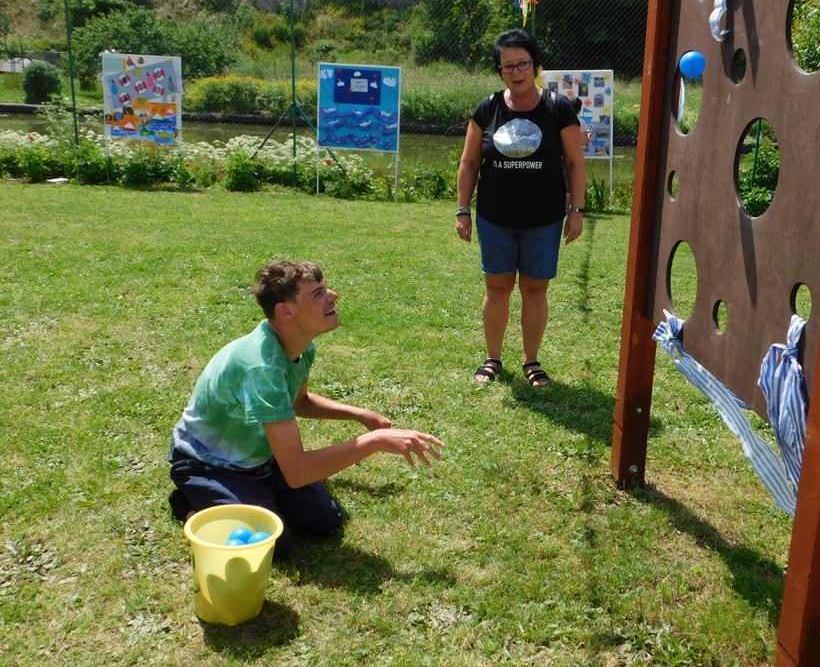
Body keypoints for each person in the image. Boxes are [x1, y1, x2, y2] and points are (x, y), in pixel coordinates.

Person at [168, 260, 444, 558]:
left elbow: (299, 401)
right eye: (318, 294)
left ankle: (254, 497)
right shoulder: (261, 367)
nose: (334, 296)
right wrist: (374, 441)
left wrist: (360, 415)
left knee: (325, 519)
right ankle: (188, 501)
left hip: (261, 461)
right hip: (208, 464)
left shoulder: (300, 345)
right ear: (286, 311)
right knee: (274, 545)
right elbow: (297, 472)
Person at [455, 29, 586, 387]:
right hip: (495, 216)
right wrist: (462, 209)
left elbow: (575, 162)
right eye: (508, 66)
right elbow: (469, 163)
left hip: (544, 219)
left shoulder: (558, 108)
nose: (516, 72)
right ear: (499, 70)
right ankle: (493, 358)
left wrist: (576, 211)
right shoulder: (487, 108)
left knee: (535, 291)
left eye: (523, 64)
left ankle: (532, 361)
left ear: (535, 66)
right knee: (497, 289)